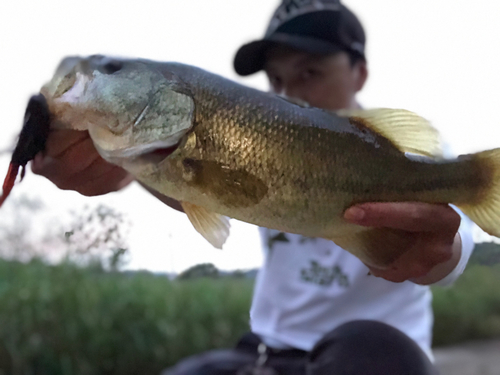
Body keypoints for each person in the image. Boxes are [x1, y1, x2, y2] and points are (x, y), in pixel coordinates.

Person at [31, 1, 474, 374]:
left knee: (377, 353)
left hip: (369, 355)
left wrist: (442, 249)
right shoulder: (245, 137)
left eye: (310, 72)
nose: (289, 90)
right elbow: (194, 183)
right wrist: (118, 167)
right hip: (263, 352)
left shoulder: (404, 156)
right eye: (277, 79)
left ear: (359, 73)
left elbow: (453, 246)